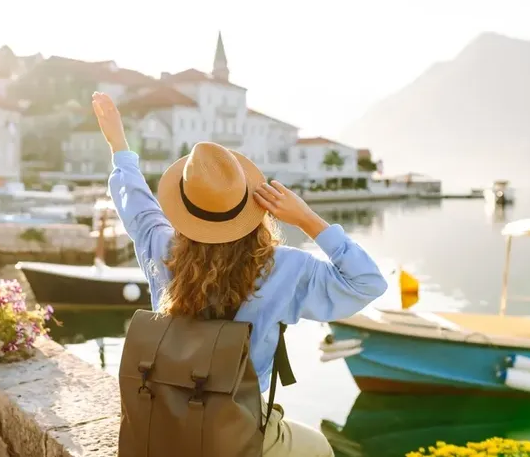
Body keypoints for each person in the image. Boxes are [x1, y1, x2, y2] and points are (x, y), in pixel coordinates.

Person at [92, 91, 388, 457]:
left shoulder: (161, 246)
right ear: (251, 202)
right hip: (235, 425)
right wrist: (307, 220)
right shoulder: (284, 268)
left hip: (163, 414)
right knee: (320, 449)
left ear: (183, 204)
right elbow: (367, 283)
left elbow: (134, 200)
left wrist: (119, 144)